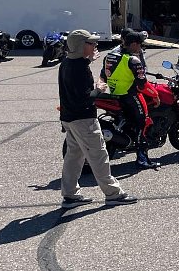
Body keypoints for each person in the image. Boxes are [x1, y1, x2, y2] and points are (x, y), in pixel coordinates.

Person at [58, 30, 138, 208]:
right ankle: (113, 194)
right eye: (91, 43)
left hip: (70, 118)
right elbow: (85, 98)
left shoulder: (67, 62)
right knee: (99, 156)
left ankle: (70, 195)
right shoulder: (79, 68)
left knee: (74, 157)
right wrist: (99, 89)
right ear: (80, 46)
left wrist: (88, 60)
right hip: (84, 119)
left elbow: (66, 93)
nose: (95, 45)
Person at [101, 29, 160, 169]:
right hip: (130, 96)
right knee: (143, 123)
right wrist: (155, 95)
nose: (141, 47)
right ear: (133, 44)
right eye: (140, 44)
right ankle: (142, 159)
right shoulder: (133, 60)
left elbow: (104, 74)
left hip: (115, 94)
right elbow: (142, 84)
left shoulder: (110, 56)